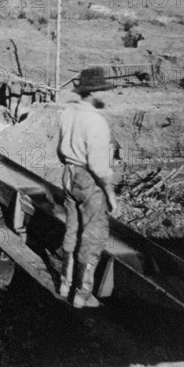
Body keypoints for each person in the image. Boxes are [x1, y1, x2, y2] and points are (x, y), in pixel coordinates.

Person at [57, 67, 121, 308]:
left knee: (71, 230)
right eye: (103, 91)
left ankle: (65, 283)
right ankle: (82, 295)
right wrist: (111, 195)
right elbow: (99, 167)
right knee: (92, 236)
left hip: (68, 174)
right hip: (87, 178)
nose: (106, 96)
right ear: (93, 92)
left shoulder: (67, 114)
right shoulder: (96, 122)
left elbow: (59, 150)